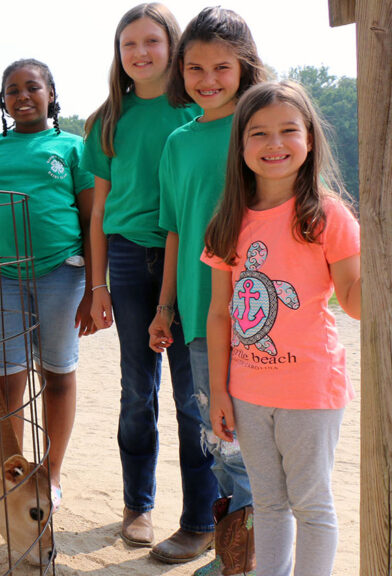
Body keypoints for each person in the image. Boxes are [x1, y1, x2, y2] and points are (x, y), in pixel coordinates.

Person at [202, 80, 360, 576]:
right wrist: (220, 391)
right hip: (248, 391)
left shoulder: (328, 215)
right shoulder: (228, 220)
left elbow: (354, 302)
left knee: (312, 506)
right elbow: (220, 314)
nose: (274, 144)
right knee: (268, 505)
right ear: (241, 145)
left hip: (310, 390)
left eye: (288, 130)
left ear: (310, 138)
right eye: (259, 133)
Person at [81, 3, 214, 562]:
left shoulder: (199, 110)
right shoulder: (107, 119)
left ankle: (201, 517)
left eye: (152, 41)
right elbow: (99, 209)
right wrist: (98, 284)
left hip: (192, 259)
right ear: (119, 53)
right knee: (139, 391)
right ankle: (139, 505)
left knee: (194, 396)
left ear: (173, 45)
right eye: (129, 43)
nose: (140, 52)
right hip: (133, 262)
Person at [150, 6, 268, 570]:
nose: (208, 79)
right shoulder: (177, 142)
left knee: (259, 446)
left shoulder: (262, 126)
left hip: (263, 312)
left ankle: (257, 557)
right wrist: (165, 306)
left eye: (222, 66)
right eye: (194, 67)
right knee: (218, 438)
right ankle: (237, 554)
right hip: (201, 313)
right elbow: (174, 228)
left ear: (245, 67)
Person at [0, 58, 95, 516]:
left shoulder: (73, 148)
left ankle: (50, 473)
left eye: (32, 87)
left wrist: (97, 285)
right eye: (12, 89)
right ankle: (14, 473)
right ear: (3, 100)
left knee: (56, 374)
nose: (22, 95)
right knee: (6, 380)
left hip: (63, 271)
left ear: (51, 93)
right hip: (2, 275)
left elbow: (93, 218)